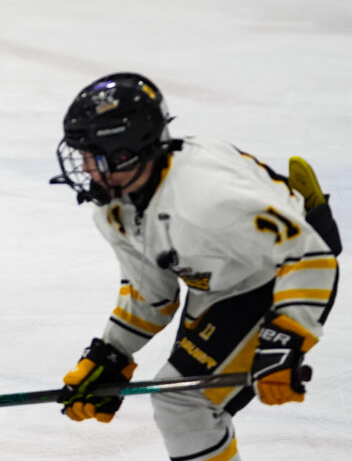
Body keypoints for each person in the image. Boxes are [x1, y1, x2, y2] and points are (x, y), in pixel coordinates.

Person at [50, 72, 340, 460]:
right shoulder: (116, 207)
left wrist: (284, 338)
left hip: (277, 274)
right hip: (219, 279)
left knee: (184, 403)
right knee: (182, 401)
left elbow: (309, 255)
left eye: (93, 157)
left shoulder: (207, 197)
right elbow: (151, 294)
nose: (85, 169)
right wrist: (111, 355)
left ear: (127, 154)